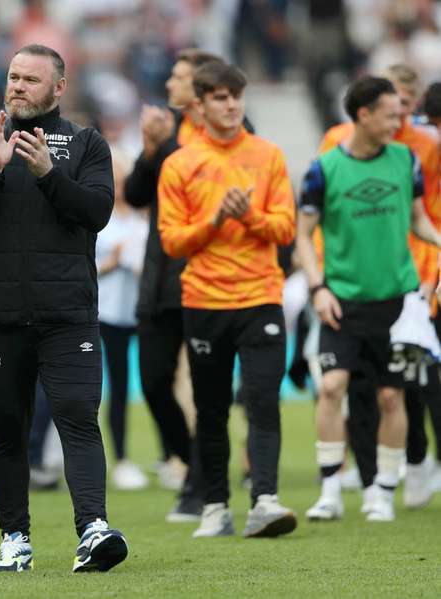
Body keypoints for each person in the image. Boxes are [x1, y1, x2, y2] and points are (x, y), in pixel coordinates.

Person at [0, 44, 128, 573]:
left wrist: (48, 174)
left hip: (68, 314)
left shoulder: (87, 144)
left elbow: (97, 212)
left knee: (77, 420)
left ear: (58, 88)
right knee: (5, 428)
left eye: (30, 79)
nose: (18, 86)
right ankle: (13, 539)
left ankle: (92, 529)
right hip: (0, 316)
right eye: (13, 77)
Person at [158, 62, 297, 539]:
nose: (231, 104)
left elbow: (286, 228)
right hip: (204, 301)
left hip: (261, 297)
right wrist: (216, 219)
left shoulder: (269, 155)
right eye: (219, 97)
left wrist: (251, 217)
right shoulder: (179, 164)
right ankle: (216, 505)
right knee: (212, 408)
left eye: (236, 95)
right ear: (200, 104)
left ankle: (265, 500)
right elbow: (172, 241)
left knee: (262, 401)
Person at [299, 76, 441, 523]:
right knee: (331, 386)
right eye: (391, 113)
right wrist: (318, 288)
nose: (400, 121)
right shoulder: (324, 169)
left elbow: (418, 220)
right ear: (363, 115)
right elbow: (302, 237)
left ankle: (382, 490)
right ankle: (329, 490)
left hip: (397, 302)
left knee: (391, 398)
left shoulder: (407, 161)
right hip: (342, 300)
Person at [124, 48, 232, 521]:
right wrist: (150, 152)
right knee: (152, 381)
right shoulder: (165, 130)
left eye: (179, 76)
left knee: (207, 389)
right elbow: (134, 195)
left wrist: (163, 147)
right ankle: (196, 465)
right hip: (160, 277)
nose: (170, 83)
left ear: (202, 87)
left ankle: (197, 486)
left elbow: (201, 176)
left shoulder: (221, 134)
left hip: (208, 275)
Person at [96, 150, 148, 490]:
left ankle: (131, 458)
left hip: (135, 312)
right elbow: (85, 269)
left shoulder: (139, 223)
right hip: (104, 312)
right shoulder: (99, 219)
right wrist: (112, 264)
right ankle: (117, 458)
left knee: (127, 387)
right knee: (96, 388)